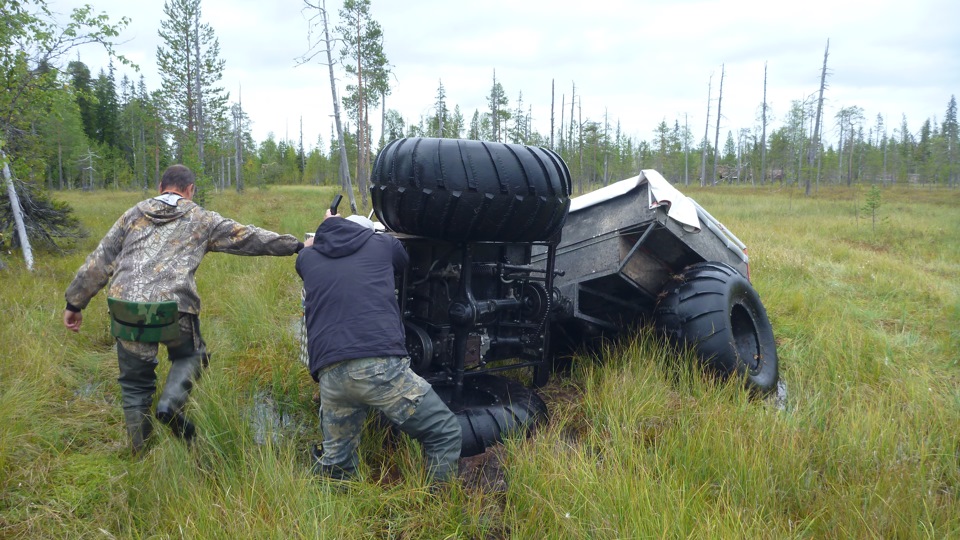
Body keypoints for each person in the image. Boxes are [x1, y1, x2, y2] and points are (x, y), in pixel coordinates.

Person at [64, 164, 305, 455]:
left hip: (125, 306)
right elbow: (248, 237)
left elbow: (99, 260)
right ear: (190, 190)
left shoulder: (133, 214)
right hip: (173, 307)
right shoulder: (201, 217)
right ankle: (170, 405)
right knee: (192, 355)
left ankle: (140, 453)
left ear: (160, 186)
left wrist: (75, 303)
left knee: (135, 385)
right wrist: (298, 246)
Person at [297, 211, 461, 485]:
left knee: (338, 466)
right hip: (379, 369)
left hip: (331, 375)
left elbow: (309, 251)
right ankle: (438, 504)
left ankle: (331, 514)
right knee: (444, 431)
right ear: (368, 232)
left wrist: (324, 227)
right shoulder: (382, 244)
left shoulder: (307, 258)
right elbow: (403, 259)